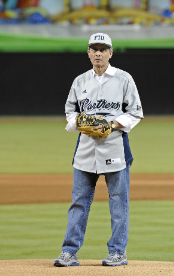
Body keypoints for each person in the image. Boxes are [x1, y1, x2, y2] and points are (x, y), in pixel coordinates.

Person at [54, 32, 144, 267]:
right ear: (88, 52)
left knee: (118, 202)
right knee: (79, 202)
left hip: (115, 148)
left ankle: (117, 252)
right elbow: (70, 111)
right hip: (85, 149)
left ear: (110, 53)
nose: (98, 53)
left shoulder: (124, 79)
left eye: (103, 49)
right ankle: (69, 252)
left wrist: (112, 124)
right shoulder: (80, 81)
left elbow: (136, 112)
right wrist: (79, 123)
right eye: (94, 48)